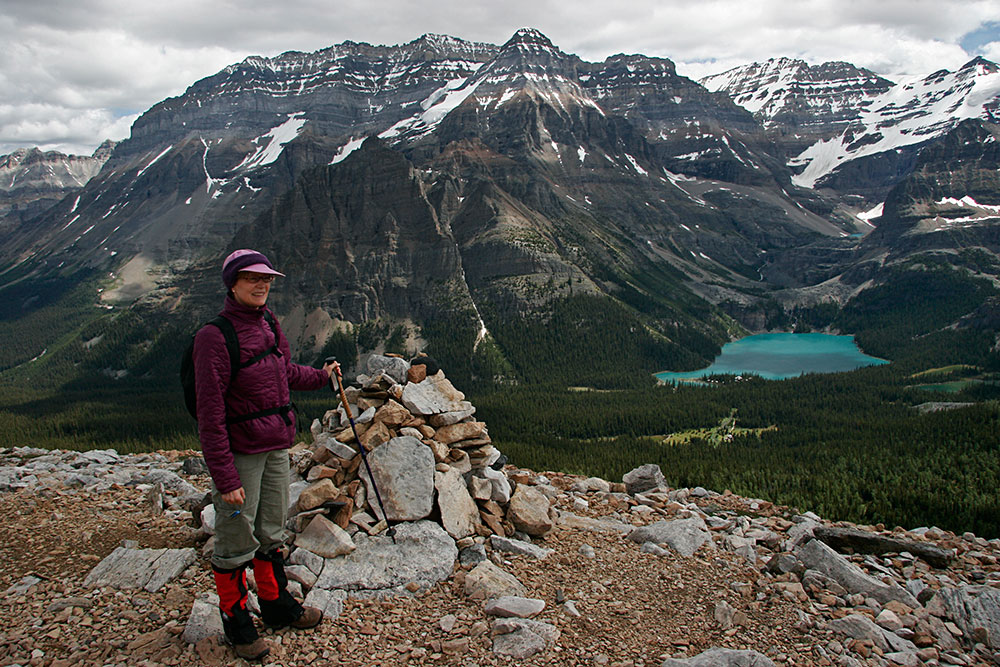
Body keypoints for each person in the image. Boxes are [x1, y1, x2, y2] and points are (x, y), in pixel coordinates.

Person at [192, 249, 338, 661]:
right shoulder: (214, 337)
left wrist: (322, 378)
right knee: (236, 539)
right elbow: (210, 412)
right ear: (232, 283)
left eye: (267, 279)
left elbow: (284, 373)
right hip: (241, 456)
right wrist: (225, 477)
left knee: (271, 530)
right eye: (252, 278)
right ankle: (238, 625)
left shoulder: (270, 323)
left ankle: (275, 607)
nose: (261, 285)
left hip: (276, 446)